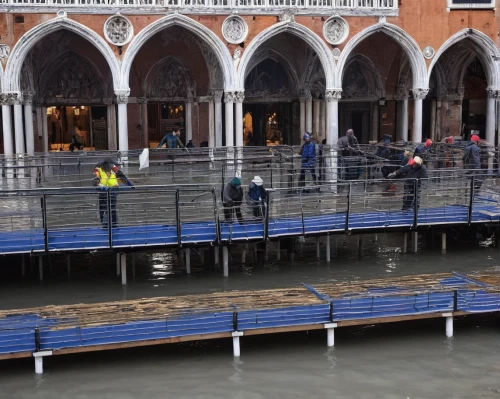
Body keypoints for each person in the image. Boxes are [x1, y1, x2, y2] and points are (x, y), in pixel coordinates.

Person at [92, 159, 131, 228]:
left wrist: (130, 185)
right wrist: (101, 186)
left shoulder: (114, 169)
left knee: (112, 208)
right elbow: (94, 181)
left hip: (113, 192)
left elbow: (122, 176)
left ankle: (114, 224)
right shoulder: (98, 170)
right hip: (103, 192)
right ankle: (104, 224)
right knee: (103, 208)